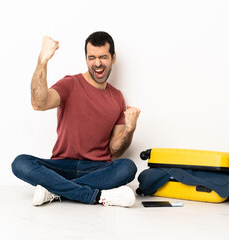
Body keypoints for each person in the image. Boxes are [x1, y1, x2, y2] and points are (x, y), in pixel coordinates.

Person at [11, 31, 141, 207]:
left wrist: (129, 130)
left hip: (96, 168)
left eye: (103, 57)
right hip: (61, 166)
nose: (97, 63)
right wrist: (43, 60)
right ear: (86, 58)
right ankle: (95, 196)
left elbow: (115, 151)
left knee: (127, 167)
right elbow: (38, 103)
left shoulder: (117, 97)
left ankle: (54, 191)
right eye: (92, 57)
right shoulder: (70, 84)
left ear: (113, 58)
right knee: (20, 163)